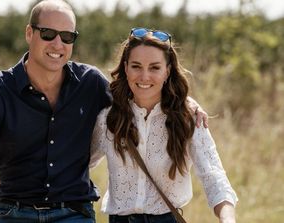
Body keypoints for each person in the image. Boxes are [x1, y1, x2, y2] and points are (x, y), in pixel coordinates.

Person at [0, 0, 207, 222]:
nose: (58, 44)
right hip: (13, 212)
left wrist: (185, 103)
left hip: (73, 214)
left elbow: (140, 95)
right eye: (48, 34)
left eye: (67, 36)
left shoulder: (90, 84)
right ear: (29, 33)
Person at [87, 28, 238, 223]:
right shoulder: (108, 118)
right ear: (125, 68)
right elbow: (79, 164)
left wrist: (228, 219)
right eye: (136, 66)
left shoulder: (188, 118)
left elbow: (214, 177)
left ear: (167, 71)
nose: (144, 76)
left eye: (154, 68)